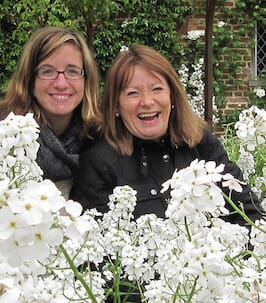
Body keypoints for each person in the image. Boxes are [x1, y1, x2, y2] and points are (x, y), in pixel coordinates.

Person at [70, 44, 263, 225]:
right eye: (133, 93)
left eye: (157, 89)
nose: (147, 101)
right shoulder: (98, 161)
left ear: (172, 96)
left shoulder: (200, 142)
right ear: (116, 106)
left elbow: (250, 216)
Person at [0, 26, 102, 199]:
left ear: (86, 80)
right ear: (29, 81)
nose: (61, 83)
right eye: (47, 71)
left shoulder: (100, 138)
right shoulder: (6, 138)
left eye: (72, 71)